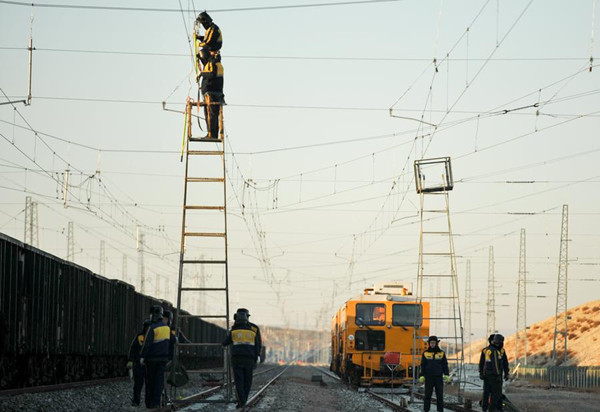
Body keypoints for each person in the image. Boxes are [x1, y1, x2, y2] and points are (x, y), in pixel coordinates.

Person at [222, 308, 262, 409]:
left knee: (239, 381)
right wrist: (257, 356)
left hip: (237, 360)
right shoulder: (254, 329)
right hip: (249, 359)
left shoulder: (234, 330)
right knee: (248, 381)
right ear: (247, 317)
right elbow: (258, 345)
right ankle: (244, 400)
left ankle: (242, 401)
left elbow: (225, 342)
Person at [140, 306, 170, 409]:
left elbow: (146, 344)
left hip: (152, 360)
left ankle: (150, 404)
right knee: (159, 382)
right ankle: (156, 403)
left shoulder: (152, 328)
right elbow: (172, 342)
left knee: (150, 382)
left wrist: (142, 357)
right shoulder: (167, 328)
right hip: (163, 360)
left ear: (154, 315)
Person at [418, 335, 450, 412]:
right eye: (431, 343)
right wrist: (422, 375)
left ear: (436, 343)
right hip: (429, 378)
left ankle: (440, 410)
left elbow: (445, 364)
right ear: (429, 343)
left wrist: (446, 374)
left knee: (439, 395)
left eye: (434, 343)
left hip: (438, 377)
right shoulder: (425, 353)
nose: (432, 344)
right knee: (427, 395)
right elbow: (423, 365)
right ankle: (426, 410)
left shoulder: (441, 353)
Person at [479, 333, 510, 412]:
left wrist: (506, 373)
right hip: (494, 375)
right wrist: (481, 373)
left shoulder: (501, 351)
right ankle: (489, 408)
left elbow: (505, 363)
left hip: (493, 374)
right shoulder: (489, 351)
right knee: (494, 393)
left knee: (492, 392)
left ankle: (495, 408)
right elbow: (484, 363)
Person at [199, 51, 224, 139]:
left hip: (211, 94)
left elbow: (212, 74)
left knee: (210, 114)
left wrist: (202, 74)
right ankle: (212, 134)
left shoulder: (213, 63)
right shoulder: (217, 63)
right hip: (215, 93)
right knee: (213, 115)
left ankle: (212, 134)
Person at [127, 319, 152, 406]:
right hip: (139, 365)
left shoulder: (152, 337)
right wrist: (130, 360)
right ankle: (136, 401)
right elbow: (133, 348)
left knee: (149, 385)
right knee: (138, 384)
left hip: (149, 365)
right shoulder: (139, 336)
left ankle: (148, 402)